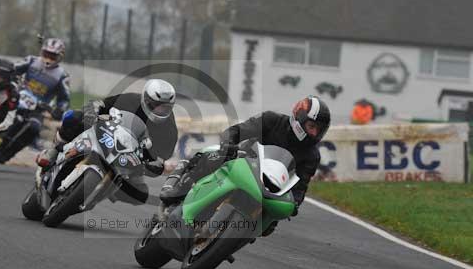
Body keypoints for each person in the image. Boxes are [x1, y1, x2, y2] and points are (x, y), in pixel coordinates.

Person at [161, 95, 331, 236]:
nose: (314, 133)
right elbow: (236, 131)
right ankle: (180, 187)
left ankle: (230, 240)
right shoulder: (272, 120)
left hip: (268, 187)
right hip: (243, 160)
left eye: (319, 130)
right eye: (312, 126)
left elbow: (300, 186)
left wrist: (294, 204)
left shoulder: (312, 155)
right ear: (299, 116)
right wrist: (229, 144)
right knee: (212, 156)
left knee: (269, 226)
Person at [37, 78, 178, 205]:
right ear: (145, 99)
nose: (160, 110)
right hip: (107, 134)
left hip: (131, 157)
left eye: (165, 107)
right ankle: (54, 151)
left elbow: (160, 158)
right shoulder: (129, 100)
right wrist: (92, 111)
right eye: (156, 105)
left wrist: (153, 165)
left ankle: (107, 191)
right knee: (75, 117)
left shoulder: (170, 130)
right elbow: (100, 104)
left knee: (140, 194)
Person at [0, 38, 71, 160]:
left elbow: (64, 99)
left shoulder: (62, 76)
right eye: (46, 54)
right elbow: (13, 68)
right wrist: (9, 76)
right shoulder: (31, 60)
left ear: (60, 57)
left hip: (38, 108)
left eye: (53, 56)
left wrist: (59, 110)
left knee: (34, 128)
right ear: (42, 51)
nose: (48, 58)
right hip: (17, 95)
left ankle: (9, 152)